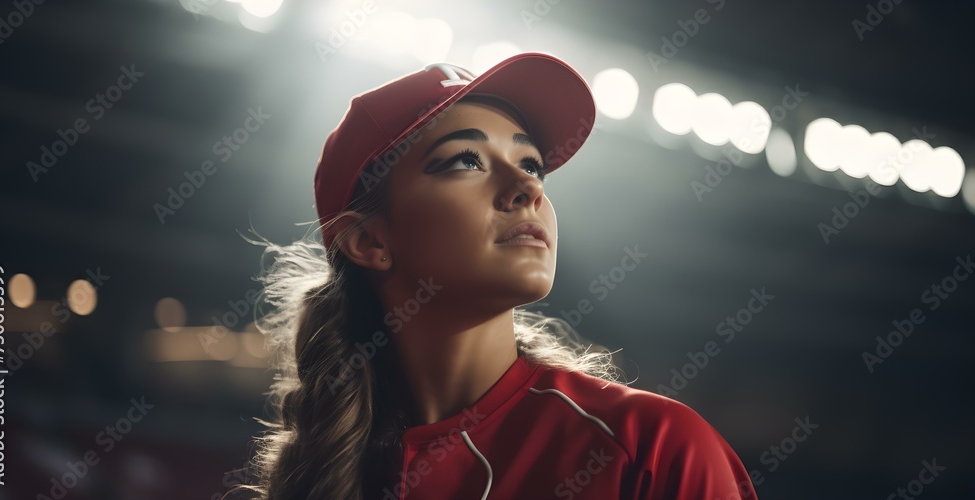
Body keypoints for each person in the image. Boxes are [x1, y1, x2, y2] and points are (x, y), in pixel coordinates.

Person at [236, 52, 759, 500]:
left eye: (531, 165)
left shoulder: (651, 446)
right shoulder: (327, 471)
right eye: (465, 159)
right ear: (370, 241)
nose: (526, 188)